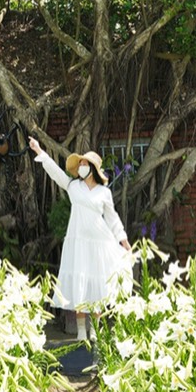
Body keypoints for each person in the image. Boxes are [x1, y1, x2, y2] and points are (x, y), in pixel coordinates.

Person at [28, 136, 132, 340]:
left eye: (85, 164)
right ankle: (81, 331)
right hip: (78, 242)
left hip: (100, 243)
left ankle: (95, 330)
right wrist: (40, 151)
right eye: (81, 164)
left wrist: (124, 240)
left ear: (93, 168)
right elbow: (57, 173)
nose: (81, 167)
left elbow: (112, 219)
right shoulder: (73, 186)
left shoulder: (104, 192)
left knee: (98, 285)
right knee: (80, 284)